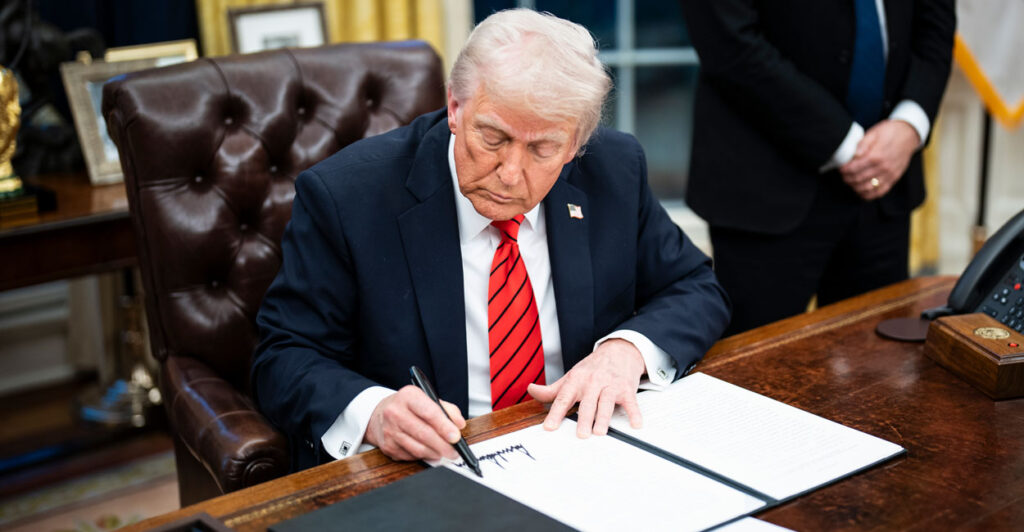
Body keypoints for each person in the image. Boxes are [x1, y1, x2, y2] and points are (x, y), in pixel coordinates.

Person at [252, 8, 730, 471]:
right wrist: (374, 413)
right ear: (455, 108)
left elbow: (694, 286)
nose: (510, 173)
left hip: (582, 446)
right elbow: (284, 355)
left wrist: (624, 352)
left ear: (576, 146)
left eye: (543, 148)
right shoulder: (347, 197)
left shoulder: (614, 170)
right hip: (436, 468)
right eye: (493, 138)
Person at [680, 0, 955, 334]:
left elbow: (936, 26)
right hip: (764, 189)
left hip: (884, 186)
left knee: (876, 367)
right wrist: (849, 146)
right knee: (758, 373)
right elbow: (727, 42)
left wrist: (911, 124)